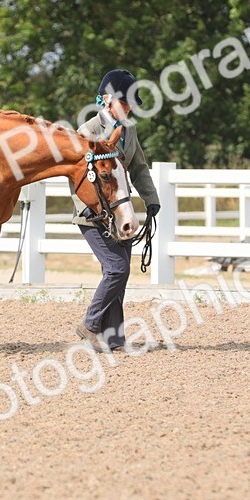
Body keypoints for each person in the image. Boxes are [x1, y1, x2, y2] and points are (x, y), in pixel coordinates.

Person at [73, 69, 161, 350]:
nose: (130, 107)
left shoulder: (130, 130)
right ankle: (90, 325)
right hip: (93, 215)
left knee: (119, 277)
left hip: (120, 213)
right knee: (117, 269)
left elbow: (138, 167)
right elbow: (78, 177)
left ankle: (114, 339)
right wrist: (87, 208)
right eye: (125, 102)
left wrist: (151, 198)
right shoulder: (87, 132)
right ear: (107, 99)